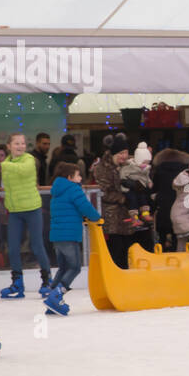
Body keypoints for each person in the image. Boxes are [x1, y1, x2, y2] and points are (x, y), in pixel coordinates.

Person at [0, 132, 53, 300]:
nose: (20, 146)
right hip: (15, 210)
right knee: (13, 248)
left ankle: (47, 281)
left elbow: (24, 171)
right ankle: (17, 282)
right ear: (9, 146)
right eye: (16, 143)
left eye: (22, 143)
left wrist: (3, 165)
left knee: (37, 245)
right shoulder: (7, 163)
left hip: (32, 208)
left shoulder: (29, 159)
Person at [45, 161, 103, 315]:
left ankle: (51, 301)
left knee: (63, 268)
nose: (80, 178)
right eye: (78, 175)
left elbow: (69, 210)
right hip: (69, 236)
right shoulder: (73, 189)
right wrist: (97, 218)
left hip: (57, 237)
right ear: (70, 177)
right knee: (74, 267)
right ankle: (56, 295)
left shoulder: (57, 191)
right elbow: (85, 207)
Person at [92, 132, 153, 269]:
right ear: (112, 154)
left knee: (130, 250)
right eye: (120, 153)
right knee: (116, 250)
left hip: (130, 216)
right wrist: (124, 198)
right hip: (113, 217)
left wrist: (140, 187)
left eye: (125, 152)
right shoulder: (102, 168)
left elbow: (144, 177)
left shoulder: (131, 164)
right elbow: (103, 192)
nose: (123, 156)